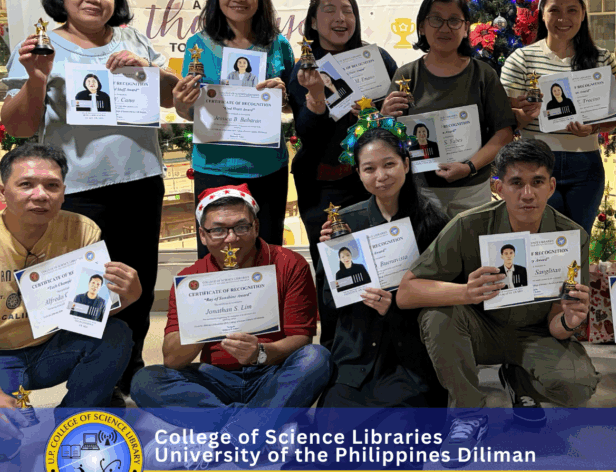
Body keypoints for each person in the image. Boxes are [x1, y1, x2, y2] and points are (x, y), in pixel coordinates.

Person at [3, 0, 178, 399]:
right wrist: (36, 78)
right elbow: (20, 126)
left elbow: (173, 96)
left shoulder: (133, 38)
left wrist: (147, 69)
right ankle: (93, 380)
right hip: (77, 188)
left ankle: (129, 370)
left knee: (134, 283)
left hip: (140, 180)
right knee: (86, 290)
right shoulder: (42, 47)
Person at [397, 139, 598, 465]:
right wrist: (465, 293)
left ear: (551, 187)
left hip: (536, 333)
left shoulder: (571, 237)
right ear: (498, 187)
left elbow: (557, 325)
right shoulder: (468, 225)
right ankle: (468, 414)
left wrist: (568, 321)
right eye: (516, 183)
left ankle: (520, 382)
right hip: (480, 329)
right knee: (437, 316)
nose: (528, 194)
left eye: (537, 182)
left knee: (576, 387)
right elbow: (407, 292)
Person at [131, 184, 332, 441]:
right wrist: (205, 320)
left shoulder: (289, 263)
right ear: (203, 235)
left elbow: (301, 337)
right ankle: (258, 425)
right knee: (145, 381)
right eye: (218, 230)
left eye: (241, 227)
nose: (231, 239)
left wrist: (260, 352)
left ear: (256, 227)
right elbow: (172, 360)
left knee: (316, 358)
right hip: (215, 377)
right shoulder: (191, 279)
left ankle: (230, 432)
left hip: (273, 372)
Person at [284, 0, 397, 352]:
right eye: (329, 10)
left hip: (375, 182)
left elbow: (400, 119)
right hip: (325, 186)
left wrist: (385, 114)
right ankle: (335, 348)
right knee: (335, 269)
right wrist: (316, 97)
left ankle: (381, 347)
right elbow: (309, 134)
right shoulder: (305, 70)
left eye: (347, 9)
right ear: (313, 22)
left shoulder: (376, 59)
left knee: (382, 263)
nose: (340, 18)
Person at [316, 126, 448, 409]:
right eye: (369, 168)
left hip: (410, 355)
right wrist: (331, 260)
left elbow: (445, 295)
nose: (381, 176)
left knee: (403, 432)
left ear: (406, 164)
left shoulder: (433, 222)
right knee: (332, 434)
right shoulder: (344, 225)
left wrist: (397, 305)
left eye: (389, 164)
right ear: (358, 173)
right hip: (357, 353)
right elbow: (328, 300)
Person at [0, 144, 139, 409]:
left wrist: (129, 297)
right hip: (2, 356)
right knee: (13, 433)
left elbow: (87, 315)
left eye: (52, 186)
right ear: (3, 191)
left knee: (115, 334)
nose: (41, 195)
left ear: (64, 193)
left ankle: (74, 418)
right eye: (26, 184)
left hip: (52, 348)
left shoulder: (82, 230)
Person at [171, 0, 295, 259]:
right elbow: (190, 111)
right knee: (218, 258)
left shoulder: (278, 44)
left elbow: (293, 104)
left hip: (268, 168)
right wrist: (181, 105)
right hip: (214, 167)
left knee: (265, 254)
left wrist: (284, 97)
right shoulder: (198, 45)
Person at [501, 0, 616, 233]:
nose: (563, 18)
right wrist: (522, 116)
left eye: (572, 10)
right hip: (535, 164)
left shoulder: (602, 59)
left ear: (583, 14)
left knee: (579, 238)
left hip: (586, 164)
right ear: (542, 13)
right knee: (542, 240)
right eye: (554, 10)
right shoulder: (521, 59)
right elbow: (504, 117)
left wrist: (594, 127)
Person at [381, 0, 515, 215]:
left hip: (472, 191)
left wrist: (469, 167)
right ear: (422, 27)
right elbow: (388, 137)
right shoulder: (406, 76)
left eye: (454, 21)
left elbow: (504, 133)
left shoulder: (483, 74)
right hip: (420, 192)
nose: (445, 28)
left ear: (466, 28)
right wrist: (385, 117)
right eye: (436, 20)